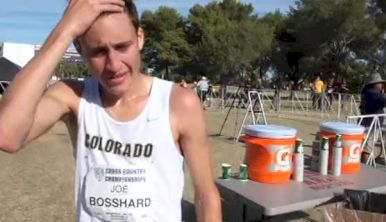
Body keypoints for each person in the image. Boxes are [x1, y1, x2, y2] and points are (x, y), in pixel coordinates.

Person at [0, 1, 221, 221]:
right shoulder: (74, 96)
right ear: (79, 48)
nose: (113, 64)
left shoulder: (178, 103)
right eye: (98, 51)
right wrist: (65, 30)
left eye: (122, 46)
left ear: (139, 38)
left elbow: (205, 196)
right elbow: (6, 134)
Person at [359, 72, 386, 162]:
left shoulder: (368, 91)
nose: (382, 85)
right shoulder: (373, 93)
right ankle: (365, 168)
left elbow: (385, 100)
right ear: (375, 84)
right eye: (380, 83)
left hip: (366, 122)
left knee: (365, 146)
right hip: (371, 125)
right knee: (367, 149)